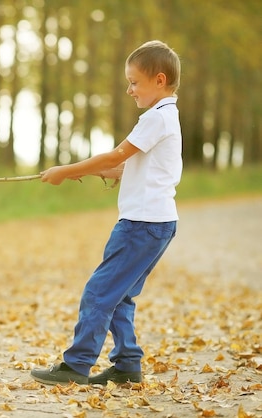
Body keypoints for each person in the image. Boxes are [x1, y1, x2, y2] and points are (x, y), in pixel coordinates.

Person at [31, 40, 182, 385]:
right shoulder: (167, 118)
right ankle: (128, 365)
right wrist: (96, 172)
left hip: (141, 225)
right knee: (121, 295)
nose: (129, 90)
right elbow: (133, 168)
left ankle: (76, 365)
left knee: (99, 293)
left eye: (134, 82)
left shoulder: (156, 118)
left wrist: (65, 170)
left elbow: (117, 156)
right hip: (157, 222)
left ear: (159, 81)